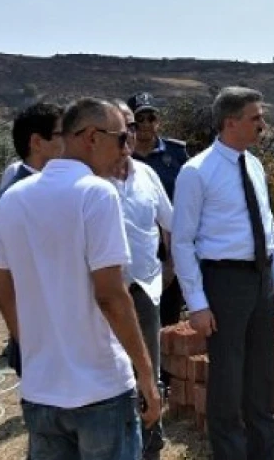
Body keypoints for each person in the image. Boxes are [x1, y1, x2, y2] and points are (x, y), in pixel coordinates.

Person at [0, 98, 161, 460]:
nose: (127, 149)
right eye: (121, 139)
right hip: (100, 390)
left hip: (41, 391)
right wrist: (147, 376)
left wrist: (38, 347)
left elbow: (3, 293)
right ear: (91, 137)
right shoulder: (97, 194)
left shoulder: (12, 199)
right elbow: (112, 297)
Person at [171, 87, 274, 460]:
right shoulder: (196, 171)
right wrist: (197, 303)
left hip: (260, 280)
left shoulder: (254, 165)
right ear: (230, 122)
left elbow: (267, 224)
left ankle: (263, 453)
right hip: (224, 282)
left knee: (262, 375)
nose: (262, 125)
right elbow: (182, 241)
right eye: (255, 118)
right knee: (227, 378)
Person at [110, 101, 173, 460]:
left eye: (134, 127)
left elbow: (170, 223)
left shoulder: (147, 176)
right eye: (124, 128)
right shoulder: (89, 181)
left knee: (148, 373)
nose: (131, 134)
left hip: (144, 293)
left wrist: (171, 270)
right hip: (99, 298)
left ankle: (151, 448)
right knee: (111, 378)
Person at [0, 101, 64, 376]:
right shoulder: (16, 197)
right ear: (37, 142)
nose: (67, 141)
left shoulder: (50, 188)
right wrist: (29, 341)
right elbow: (6, 286)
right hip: (40, 333)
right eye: (60, 134)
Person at [126, 92, 190, 333]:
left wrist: (173, 261)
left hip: (172, 247)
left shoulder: (176, 154)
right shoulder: (119, 157)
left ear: (158, 121)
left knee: (168, 321)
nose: (145, 125)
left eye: (150, 118)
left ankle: (166, 369)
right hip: (135, 249)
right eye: (138, 119)